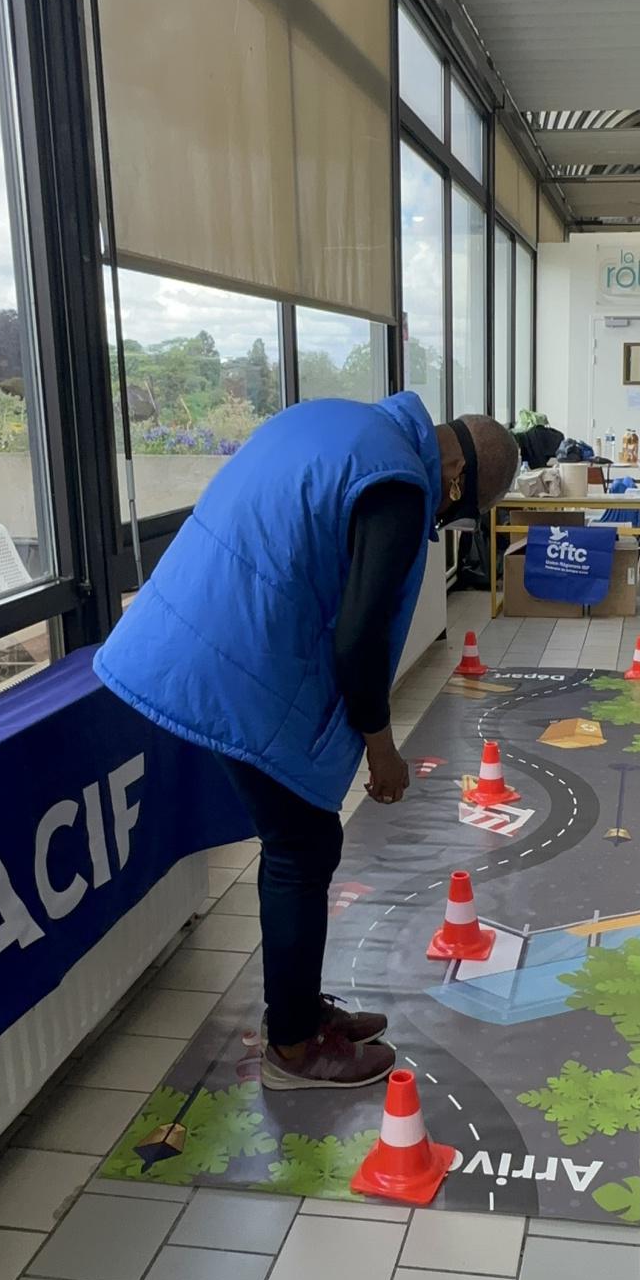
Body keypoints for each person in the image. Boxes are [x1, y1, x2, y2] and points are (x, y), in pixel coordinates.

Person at [96, 395, 519, 1092]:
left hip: (201, 625)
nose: (445, 523)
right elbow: (359, 642)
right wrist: (382, 749)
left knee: (299, 837)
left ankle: (296, 1009)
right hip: (225, 652)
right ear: (453, 478)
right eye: (458, 511)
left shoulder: (352, 426)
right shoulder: (401, 484)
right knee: (302, 843)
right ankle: (292, 1047)